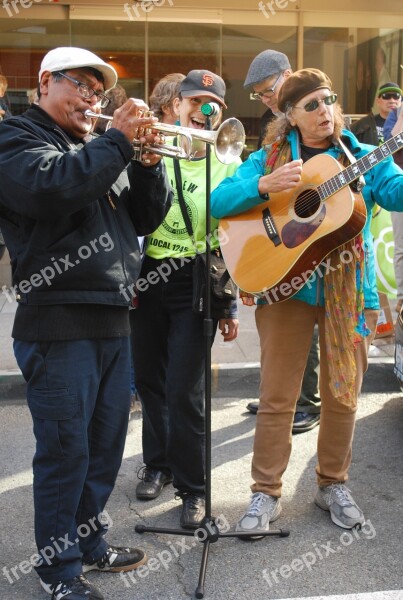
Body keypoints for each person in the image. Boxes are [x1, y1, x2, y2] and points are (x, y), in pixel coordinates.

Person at [0, 46, 172, 600]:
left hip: (112, 314)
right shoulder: (17, 139)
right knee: (65, 451)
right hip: (57, 317)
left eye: (99, 92)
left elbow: (146, 218)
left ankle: (89, 538)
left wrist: (147, 165)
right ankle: (59, 572)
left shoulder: (95, 148)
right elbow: (52, 191)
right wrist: (118, 141)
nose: (91, 99)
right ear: (46, 81)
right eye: (81, 85)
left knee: (103, 446)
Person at [211, 68, 403, 535]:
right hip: (288, 289)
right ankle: (264, 492)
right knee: (278, 396)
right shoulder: (271, 157)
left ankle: (332, 483)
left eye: (330, 100)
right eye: (312, 105)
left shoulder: (362, 156)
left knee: (343, 395)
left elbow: (395, 192)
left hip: (351, 290)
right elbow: (219, 203)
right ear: (291, 116)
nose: (325, 111)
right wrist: (262, 186)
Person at [130, 69, 240, 529]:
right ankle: (157, 463)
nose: (202, 110)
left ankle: (194, 489)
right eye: (193, 101)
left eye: (211, 104)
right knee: (149, 380)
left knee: (185, 389)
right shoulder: (152, 150)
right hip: (149, 272)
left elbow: (237, 237)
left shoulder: (231, 160)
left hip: (197, 277)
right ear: (175, 106)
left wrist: (230, 301)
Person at [242, 49, 321, 433]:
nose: (266, 100)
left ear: (288, 76)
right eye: (259, 95)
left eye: (268, 90)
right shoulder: (273, 127)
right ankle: (280, 394)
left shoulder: (320, 122)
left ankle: (307, 402)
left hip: (319, 251)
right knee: (276, 330)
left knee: (309, 327)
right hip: (283, 244)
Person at [384, 102, 403, 312]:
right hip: (400, 187)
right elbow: (390, 144)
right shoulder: (396, 113)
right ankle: (402, 298)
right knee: (402, 247)